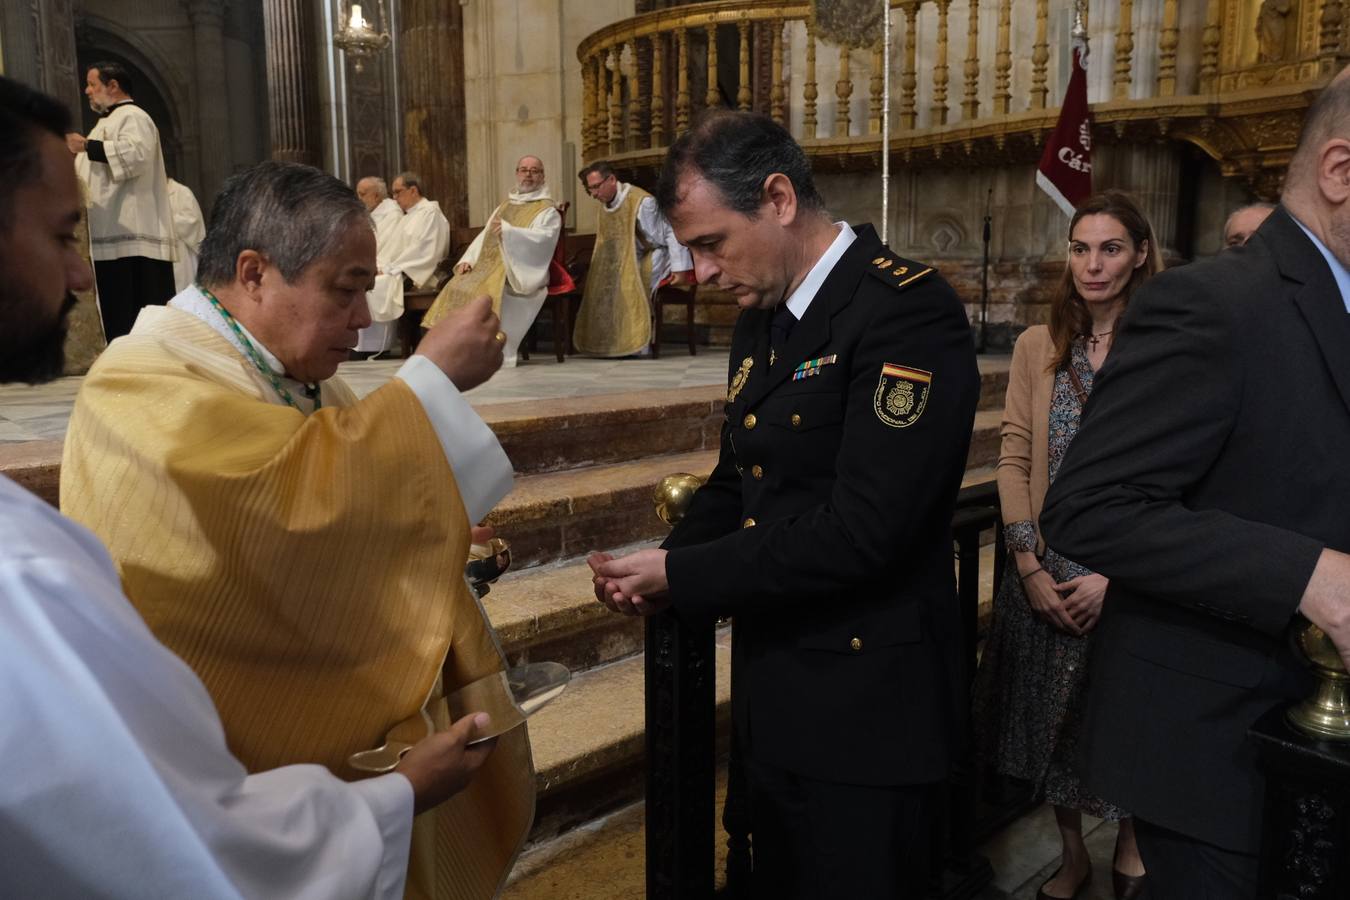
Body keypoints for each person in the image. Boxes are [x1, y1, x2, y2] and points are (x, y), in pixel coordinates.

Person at [0, 73, 499, 900]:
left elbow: (337, 493)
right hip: (235, 775)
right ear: (256, 273)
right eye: (345, 290)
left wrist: (429, 533)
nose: (364, 318)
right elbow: (274, 511)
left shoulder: (281, 371)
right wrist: (429, 385)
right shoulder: (143, 378)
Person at [588, 111, 980, 898]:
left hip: (870, 713)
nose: (699, 272)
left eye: (710, 243)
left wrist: (689, 579)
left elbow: (866, 531)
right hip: (780, 691)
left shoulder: (903, 309)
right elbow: (741, 477)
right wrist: (670, 554)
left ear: (777, 199)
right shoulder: (765, 316)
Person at [1040, 66, 1350, 898]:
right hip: (1222, 748)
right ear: (1341, 172)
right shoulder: (1211, 302)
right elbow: (1088, 507)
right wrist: (1310, 576)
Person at [973, 191, 1161, 900]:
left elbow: (1178, 471)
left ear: (1140, 253)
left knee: (1124, 723)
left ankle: (1132, 848)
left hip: (1128, 576)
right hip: (1048, 571)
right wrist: (1026, 565)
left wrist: (1121, 575)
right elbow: (1015, 454)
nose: (1093, 264)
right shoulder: (1037, 344)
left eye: (1110, 248)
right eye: (1081, 248)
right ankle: (1074, 851)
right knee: (1047, 730)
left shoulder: (1166, 342)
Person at [66, 60, 176, 341]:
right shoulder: (106, 123)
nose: (87, 90)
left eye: (92, 84)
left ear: (113, 85)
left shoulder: (134, 116)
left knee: (137, 314)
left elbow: (135, 156)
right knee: (119, 314)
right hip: (111, 231)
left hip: (133, 233)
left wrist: (86, 147)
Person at [422, 155, 562, 366]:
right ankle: (454, 347)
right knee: (458, 284)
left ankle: (487, 351)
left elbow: (543, 241)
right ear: (517, 173)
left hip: (518, 270)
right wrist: (468, 259)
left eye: (534, 171)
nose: (528, 175)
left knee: (486, 292)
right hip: (489, 267)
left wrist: (510, 232)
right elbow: (485, 235)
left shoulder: (547, 210)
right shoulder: (505, 205)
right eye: (524, 170)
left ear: (543, 176)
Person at [572, 160, 692, 357]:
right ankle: (613, 342)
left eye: (595, 187)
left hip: (660, 253)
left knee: (631, 283)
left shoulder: (641, 202)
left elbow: (669, 233)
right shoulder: (605, 206)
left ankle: (639, 345)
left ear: (611, 179)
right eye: (589, 189)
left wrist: (680, 269)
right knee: (604, 284)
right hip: (630, 257)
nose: (593, 194)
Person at [358, 170, 451, 354]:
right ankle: (364, 346)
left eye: (397, 192)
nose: (394, 198)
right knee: (367, 280)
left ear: (413, 191)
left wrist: (392, 269)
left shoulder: (429, 213)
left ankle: (376, 347)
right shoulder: (409, 216)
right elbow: (394, 249)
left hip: (423, 275)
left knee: (375, 284)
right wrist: (383, 266)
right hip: (406, 270)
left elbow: (426, 252)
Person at [166, 176, 206, 292]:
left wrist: (165, 221)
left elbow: (192, 221)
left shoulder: (182, 192)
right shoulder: (151, 196)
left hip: (182, 255)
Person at [358, 174, 404, 245]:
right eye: (358, 194)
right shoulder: (366, 213)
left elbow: (382, 245)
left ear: (376, 196)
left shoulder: (393, 215)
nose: (359, 199)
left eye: (362, 194)